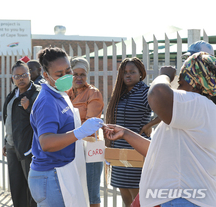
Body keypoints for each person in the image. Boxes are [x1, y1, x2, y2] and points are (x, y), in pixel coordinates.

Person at [104, 52, 216, 207]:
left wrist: (165, 75)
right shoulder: (197, 112)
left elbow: (157, 93)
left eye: (181, 82)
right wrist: (126, 133)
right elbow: (158, 151)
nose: (178, 86)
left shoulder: (198, 103)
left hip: (183, 199)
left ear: (196, 82)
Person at [28, 47, 103, 207]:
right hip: (51, 175)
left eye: (68, 71)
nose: (66, 76)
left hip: (60, 170)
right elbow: (46, 143)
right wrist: (80, 132)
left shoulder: (60, 94)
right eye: (59, 74)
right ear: (46, 75)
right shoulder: (47, 101)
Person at [105, 57, 160, 207]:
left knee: (138, 196)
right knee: (124, 196)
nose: (128, 75)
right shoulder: (120, 93)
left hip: (137, 148)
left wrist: (149, 125)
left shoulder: (146, 92)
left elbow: (164, 112)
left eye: (132, 72)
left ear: (140, 74)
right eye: (125, 73)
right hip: (119, 148)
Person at [66, 57, 104, 207]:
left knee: (91, 193)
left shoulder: (93, 93)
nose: (79, 78)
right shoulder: (66, 94)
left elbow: (90, 124)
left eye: (83, 74)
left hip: (89, 148)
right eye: (75, 74)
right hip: (70, 147)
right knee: (75, 190)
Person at [2, 60, 40, 207]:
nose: (20, 78)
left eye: (24, 74)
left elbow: (43, 119)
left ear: (29, 74)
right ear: (12, 78)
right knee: (16, 187)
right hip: (12, 147)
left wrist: (29, 108)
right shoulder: (12, 95)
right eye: (17, 76)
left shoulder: (36, 93)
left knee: (31, 188)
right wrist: (6, 142)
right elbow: (7, 120)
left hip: (28, 148)